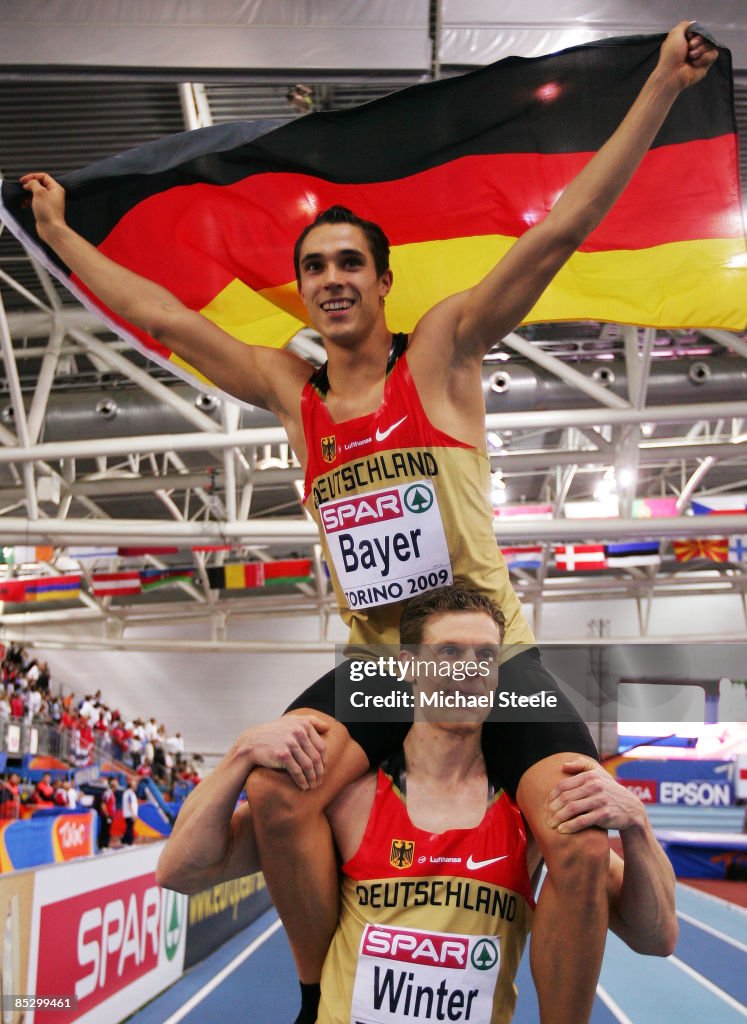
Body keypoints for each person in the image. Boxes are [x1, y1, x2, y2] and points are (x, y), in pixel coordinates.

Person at [22, 23, 715, 1023]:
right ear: (301, 289)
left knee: (577, 840)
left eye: (352, 261)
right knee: (276, 793)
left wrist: (655, 89)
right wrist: (61, 238)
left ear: (385, 282)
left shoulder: (439, 354)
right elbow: (171, 323)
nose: (334, 278)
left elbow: (559, 233)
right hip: (382, 663)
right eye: (316, 265)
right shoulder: (288, 389)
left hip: (489, 661)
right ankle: (316, 995)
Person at [157, 585, 678, 1023]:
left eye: (485, 657)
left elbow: (657, 938)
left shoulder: (531, 824)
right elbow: (180, 871)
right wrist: (239, 756)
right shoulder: (348, 804)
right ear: (407, 667)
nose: (470, 670)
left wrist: (638, 827)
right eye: (449, 652)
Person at [121, 779, 138, 845]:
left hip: (129, 813)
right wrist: (133, 814)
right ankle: (128, 842)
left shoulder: (129, 793)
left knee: (129, 828)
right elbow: (130, 803)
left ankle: (124, 841)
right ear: (131, 786)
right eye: (135, 785)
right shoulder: (129, 793)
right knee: (129, 828)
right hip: (130, 814)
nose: (136, 787)